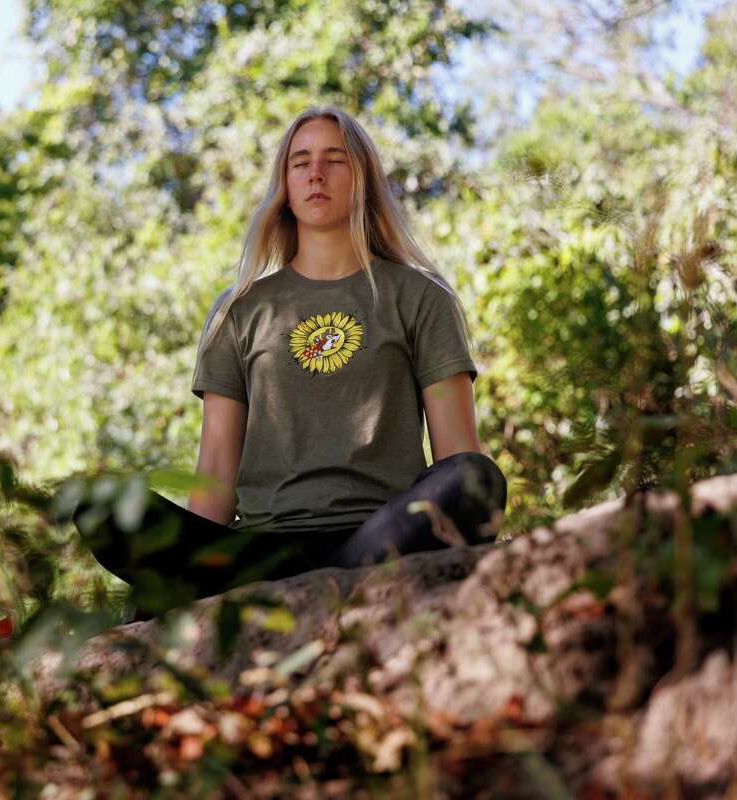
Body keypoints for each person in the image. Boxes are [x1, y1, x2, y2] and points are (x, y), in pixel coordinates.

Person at [67, 105, 508, 617]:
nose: (315, 173)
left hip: (382, 531)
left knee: (476, 478)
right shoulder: (240, 309)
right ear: (284, 183)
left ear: (362, 177)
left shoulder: (419, 297)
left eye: (334, 159)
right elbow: (215, 466)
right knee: (101, 505)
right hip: (259, 549)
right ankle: (317, 585)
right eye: (300, 162)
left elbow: (458, 452)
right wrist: (194, 559)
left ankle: (321, 583)